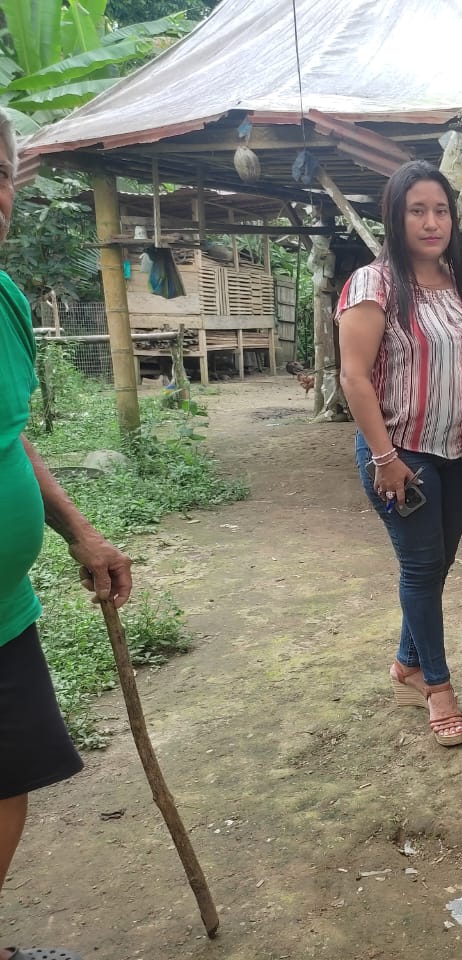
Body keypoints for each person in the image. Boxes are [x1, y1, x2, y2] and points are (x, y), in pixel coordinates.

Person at [0, 113, 133, 960]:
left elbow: (10, 436)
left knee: (7, 782)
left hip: (6, 614)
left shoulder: (5, 299)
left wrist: (80, 530)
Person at [338, 161, 462, 748]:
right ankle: (437, 685)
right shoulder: (373, 284)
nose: (432, 223)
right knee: (423, 567)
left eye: (441, 211)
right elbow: (354, 377)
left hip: (459, 451)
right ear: (395, 217)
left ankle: (407, 661)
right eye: (417, 211)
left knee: (436, 566)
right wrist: (384, 458)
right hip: (402, 452)